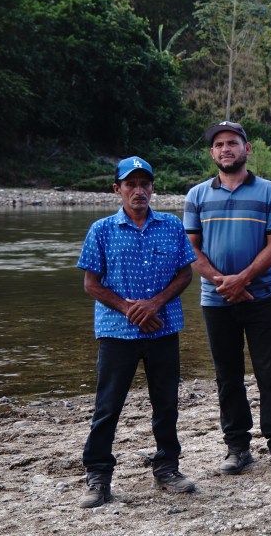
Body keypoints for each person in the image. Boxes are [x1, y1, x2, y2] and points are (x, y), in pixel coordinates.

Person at [76, 157, 197, 508]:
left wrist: (154, 304)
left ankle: (167, 468)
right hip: (117, 332)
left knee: (166, 403)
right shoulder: (101, 230)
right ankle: (98, 476)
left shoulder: (171, 225)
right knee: (107, 406)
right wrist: (129, 308)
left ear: (153, 188)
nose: (138, 190)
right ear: (118, 189)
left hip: (163, 329)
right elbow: (91, 284)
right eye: (131, 184)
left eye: (145, 184)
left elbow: (185, 274)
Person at [184, 121, 271, 478]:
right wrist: (223, 283)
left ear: (247, 149)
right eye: (219, 145)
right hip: (216, 300)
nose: (226, 149)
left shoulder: (269, 192)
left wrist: (242, 279)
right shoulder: (197, 195)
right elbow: (191, 248)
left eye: (232, 143)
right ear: (212, 153)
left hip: (260, 297)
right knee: (227, 376)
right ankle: (238, 448)